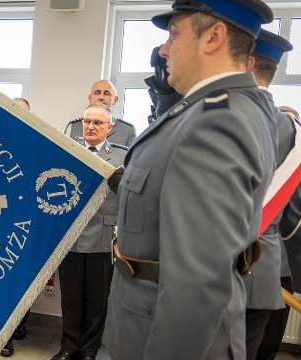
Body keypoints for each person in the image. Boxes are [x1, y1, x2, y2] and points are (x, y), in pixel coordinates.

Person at [103, 1, 277, 359]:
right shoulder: (214, 109)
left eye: (173, 34)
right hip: (140, 320)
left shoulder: (217, 122)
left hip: (156, 336)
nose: (164, 49)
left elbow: (197, 286)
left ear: (214, 37)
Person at [52, 104, 127, 360]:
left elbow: (131, 196)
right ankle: (68, 347)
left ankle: (89, 351)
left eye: (97, 122)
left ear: (110, 127)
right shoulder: (67, 151)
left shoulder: (121, 157)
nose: (90, 127)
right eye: (87, 121)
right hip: (71, 235)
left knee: (98, 300)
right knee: (71, 299)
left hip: (103, 237)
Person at [245, 30, 296, 360]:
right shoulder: (293, 130)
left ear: (245, 65)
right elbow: (294, 212)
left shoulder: (219, 117)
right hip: (265, 268)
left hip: (214, 267)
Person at [0, 97, 34, 357]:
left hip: (24, 227)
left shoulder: (36, 146)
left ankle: (17, 325)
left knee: (20, 282)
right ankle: (4, 336)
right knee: (1, 285)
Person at [65, 80, 136, 147]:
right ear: (90, 98)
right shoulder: (74, 127)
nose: (101, 97)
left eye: (107, 93)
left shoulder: (127, 131)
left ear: (115, 100)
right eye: (97, 93)